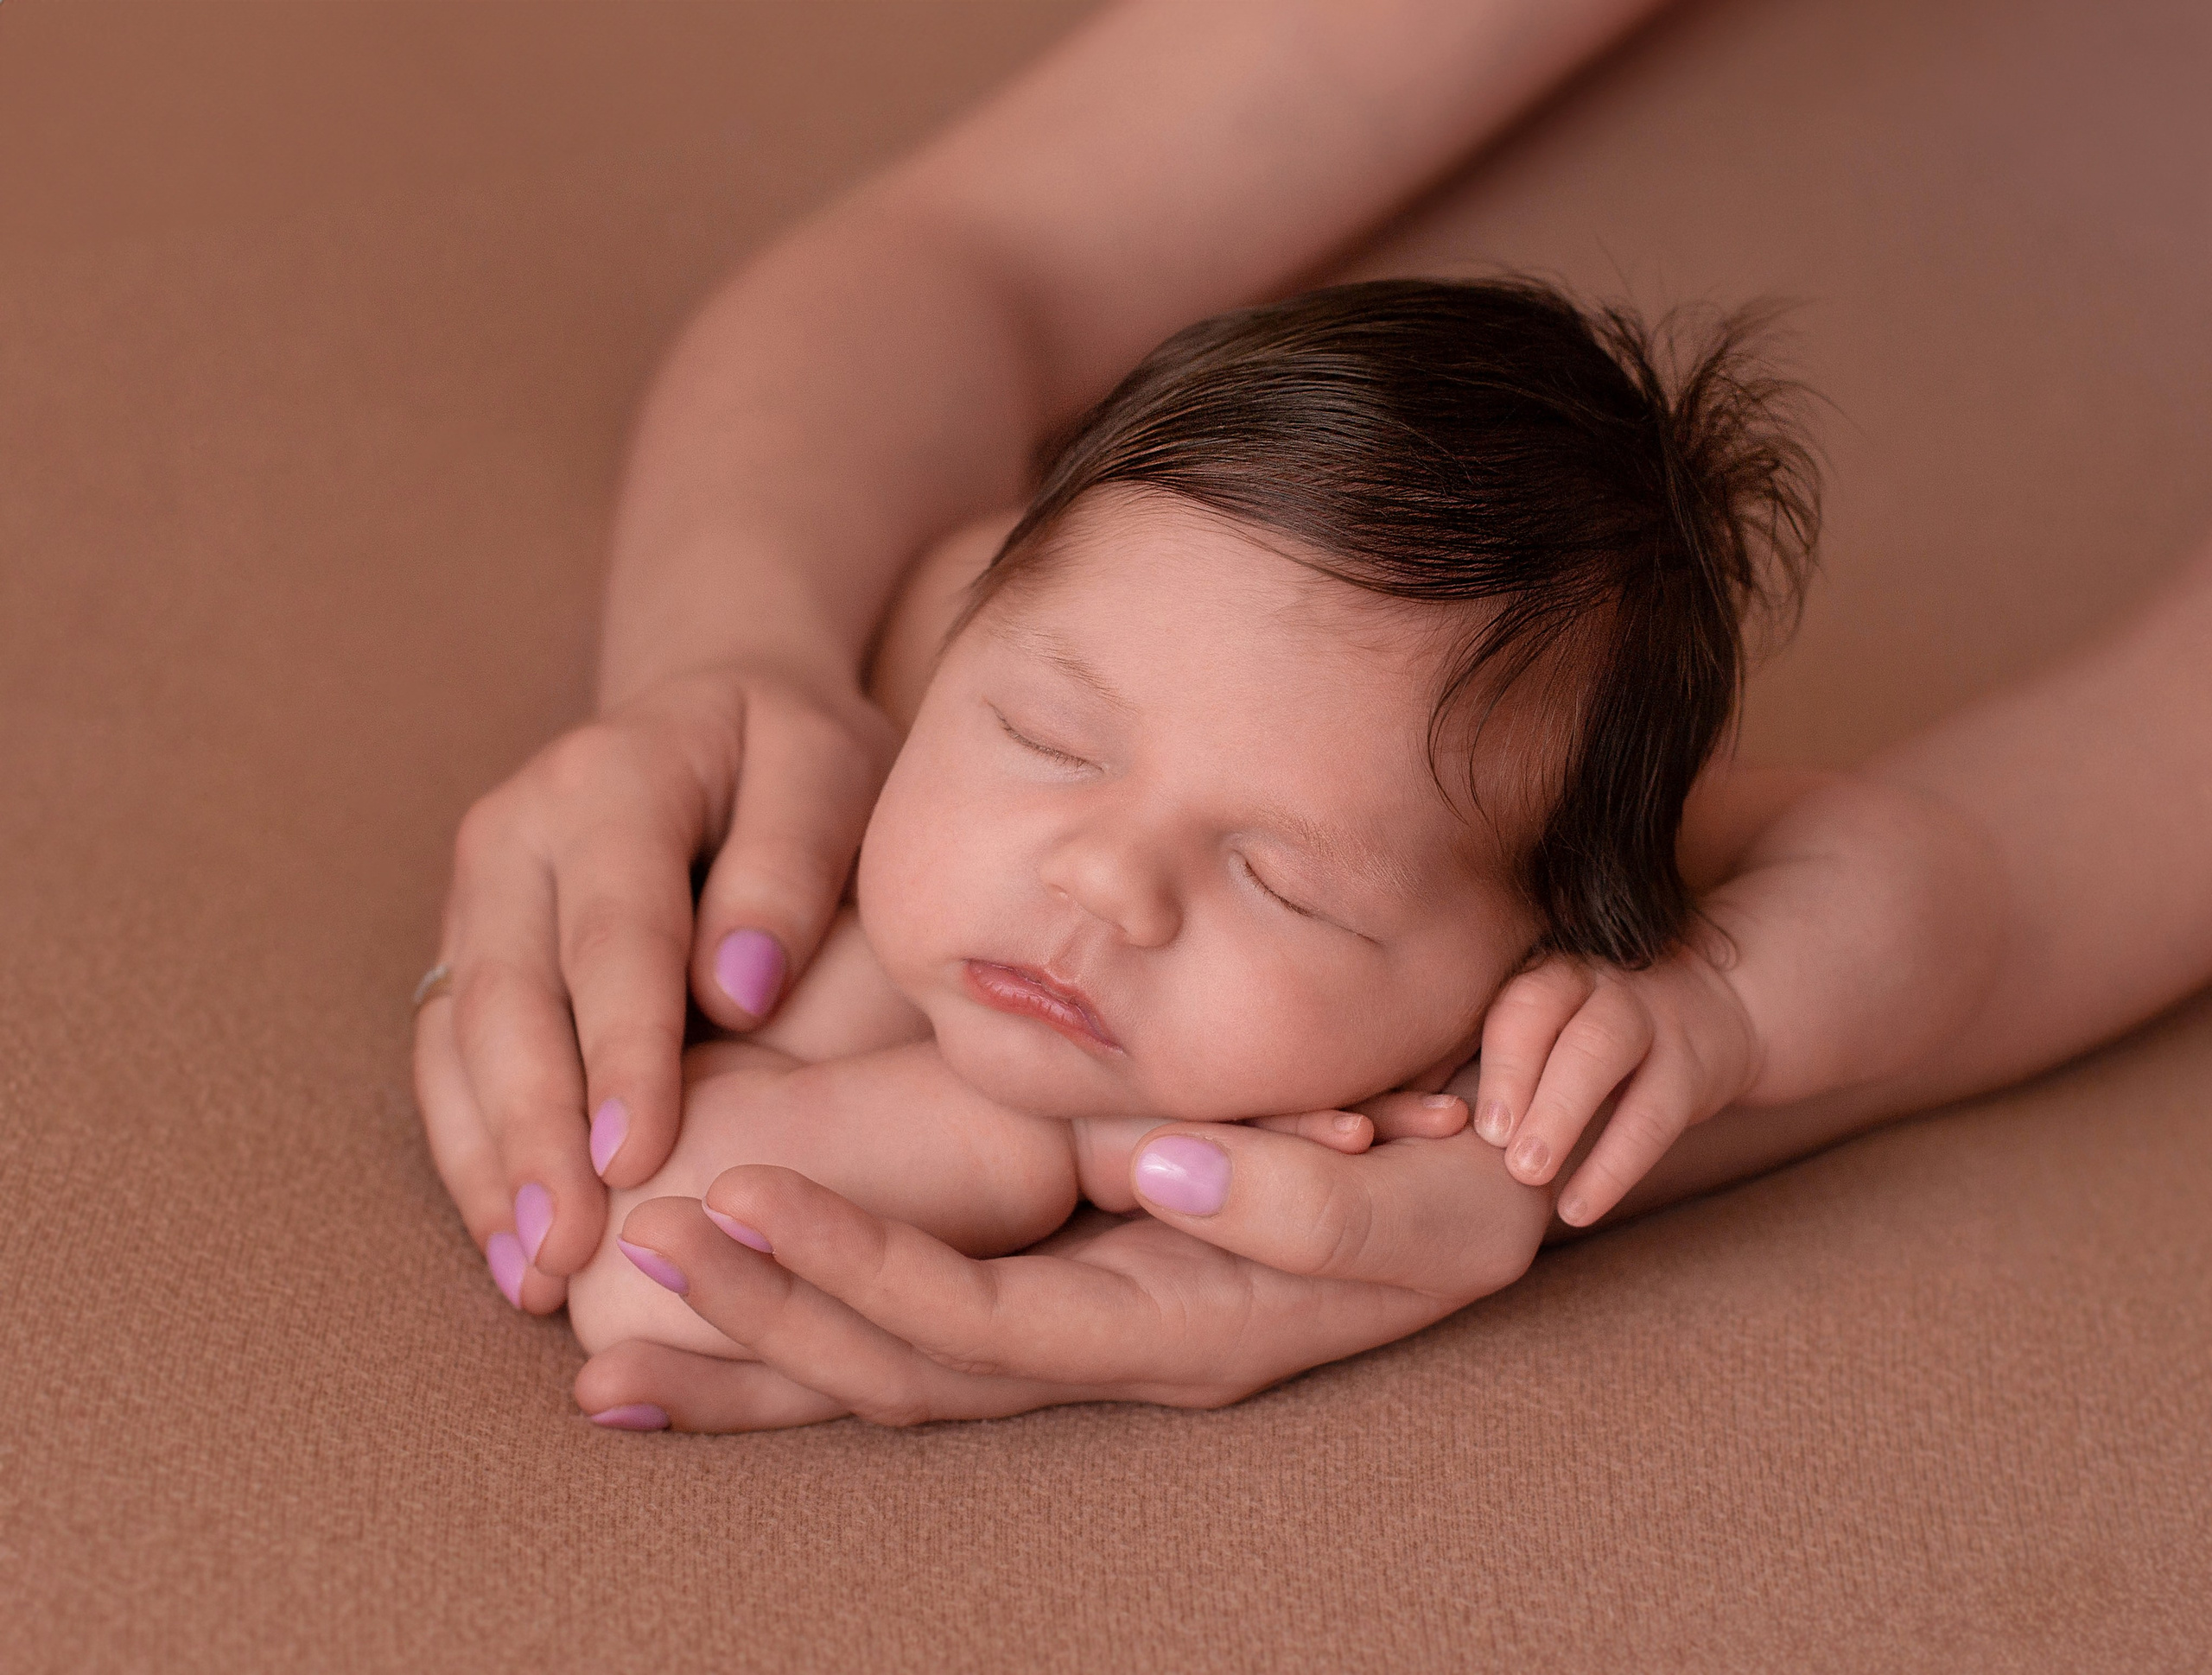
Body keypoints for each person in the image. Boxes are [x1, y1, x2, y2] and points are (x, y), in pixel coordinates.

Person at [412, 0, 2212, 1431]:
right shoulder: (901, 768)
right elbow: (632, 1255)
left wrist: (1683, 1043)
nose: (1104, 881)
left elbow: (1927, 885)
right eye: (1045, 730)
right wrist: (736, 652)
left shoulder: (1541, 978)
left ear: (1518, 961)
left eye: (1291, 882)